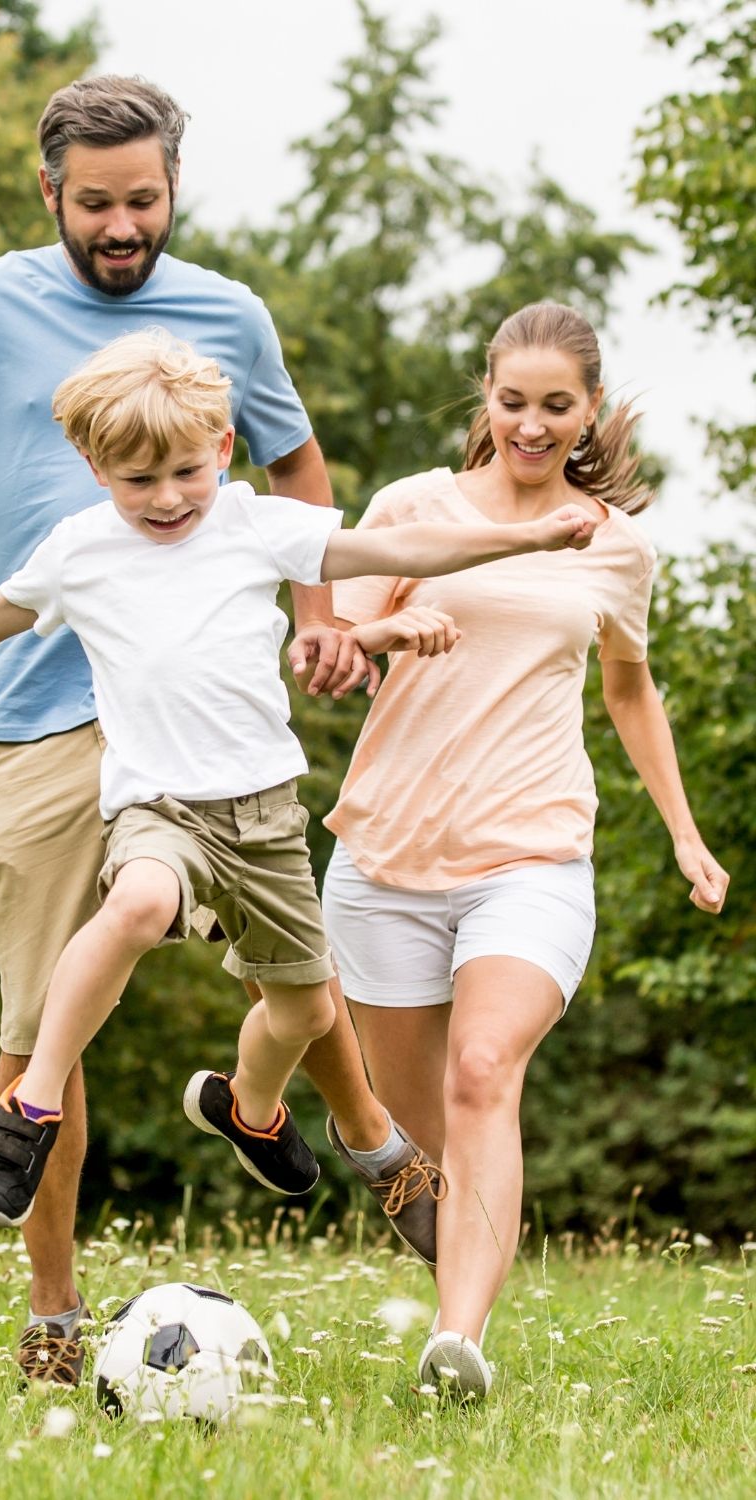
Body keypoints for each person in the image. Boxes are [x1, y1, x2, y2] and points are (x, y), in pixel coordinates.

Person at [0, 74, 435, 1384]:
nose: (120, 226)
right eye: (95, 205)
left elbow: (295, 471)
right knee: (44, 1018)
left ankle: (369, 1143)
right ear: (51, 193)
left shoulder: (228, 316)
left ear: (171, 188)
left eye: (142, 201)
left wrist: (322, 616)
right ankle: (54, 1309)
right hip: (35, 713)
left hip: (200, 700)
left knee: (292, 967)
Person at [0, 329, 599, 1245]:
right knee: (135, 903)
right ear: (93, 466)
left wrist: (526, 534)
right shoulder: (79, 550)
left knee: (304, 1009)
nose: (167, 499)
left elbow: (400, 551)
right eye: (139, 482)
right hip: (158, 809)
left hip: (265, 819)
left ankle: (248, 1105)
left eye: (184, 472)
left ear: (220, 450)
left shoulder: (254, 523)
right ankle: (30, 1108)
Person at [319, 301, 730, 1401]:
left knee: (483, 1070)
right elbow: (327, 641)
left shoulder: (615, 545)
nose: (532, 426)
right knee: (421, 1146)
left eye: (557, 407)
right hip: (387, 856)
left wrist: (684, 834)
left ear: (588, 408)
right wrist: (376, 633)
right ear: (484, 399)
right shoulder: (413, 507)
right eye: (513, 404)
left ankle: (457, 1344)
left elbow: (630, 691)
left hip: (532, 852)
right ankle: (401, 1187)